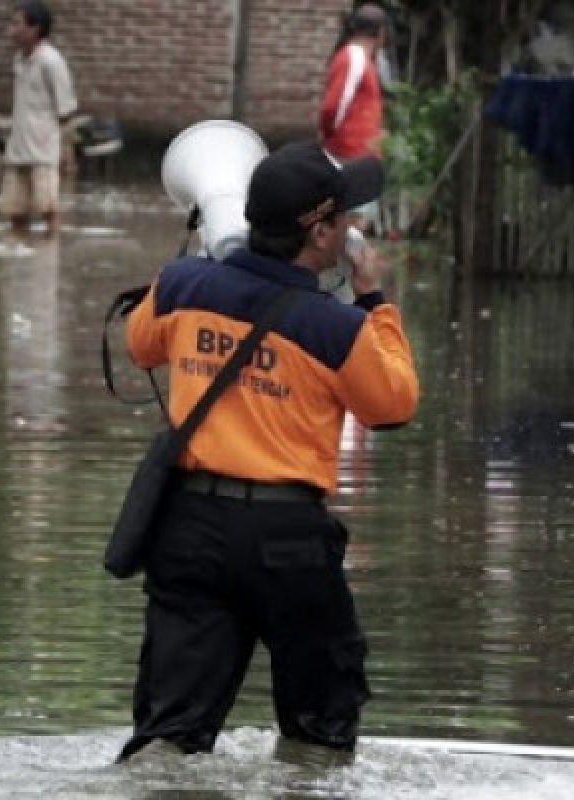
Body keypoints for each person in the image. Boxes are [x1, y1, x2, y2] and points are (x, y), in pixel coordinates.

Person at [119, 141, 419, 762]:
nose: (353, 229)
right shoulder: (337, 328)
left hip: (190, 530)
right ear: (321, 231)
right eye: (346, 218)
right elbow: (394, 405)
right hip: (288, 541)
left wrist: (205, 267)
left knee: (168, 736)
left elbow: (140, 345)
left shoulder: (182, 286)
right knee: (320, 729)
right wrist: (375, 303)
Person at [2, 1, 78, 235]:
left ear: (34, 29)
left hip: (43, 150)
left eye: (17, 24)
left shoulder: (51, 62)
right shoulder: (19, 60)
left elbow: (66, 109)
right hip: (18, 148)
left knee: (48, 210)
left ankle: (48, 260)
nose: (11, 30)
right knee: (15, 212)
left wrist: (67, 149)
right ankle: (20, 259)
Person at [320, 3, 389, 230]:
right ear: (380, 32)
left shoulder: (357, 58)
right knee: (353, 225)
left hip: (358, 153)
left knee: (354, 225)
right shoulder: (354, 58)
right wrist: (332, 138)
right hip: (352, 155)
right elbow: (332, 107)